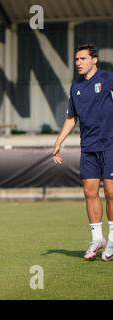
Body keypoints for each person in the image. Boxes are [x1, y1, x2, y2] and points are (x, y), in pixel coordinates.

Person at [53, 44, 113, 261]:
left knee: (111, 193)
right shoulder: (76, 86)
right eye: (76, 59)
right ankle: (97, 238)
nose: (78, 62)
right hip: (88, 147)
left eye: (82, 58)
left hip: (110, 145)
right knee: (89, 192)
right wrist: (59, 141)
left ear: (94, 60)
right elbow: (71, 118)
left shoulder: (108, 78)